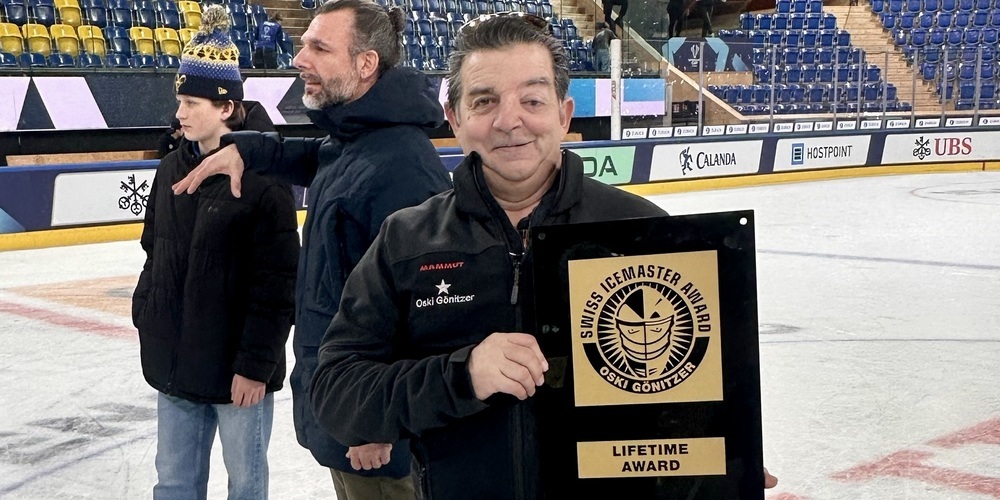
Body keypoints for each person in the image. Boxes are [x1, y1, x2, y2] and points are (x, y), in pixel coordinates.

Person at [309, 12, 779, 499]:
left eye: (532, 100)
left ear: (563, 114)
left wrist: (724, 462)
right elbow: (337, 394)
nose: (509, 120)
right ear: (456, 119)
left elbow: (693, 381)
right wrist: (461, 376)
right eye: (484, 101)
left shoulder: (641, 230)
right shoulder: (407, 241)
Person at [170, 0, 452, 498]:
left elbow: (425, 312)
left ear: (365, 64)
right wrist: (244, 149)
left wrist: (380, 418)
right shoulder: (358, 141)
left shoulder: (401, 166)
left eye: (319, 48)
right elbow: (312, 157)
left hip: (377, 437)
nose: (299, 59)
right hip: (348, 412)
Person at [132, 5, 299, 500]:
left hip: (237, 375)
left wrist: (255, 366)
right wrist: (148, 316)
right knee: (174, 485)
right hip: (174, 363)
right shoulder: (169, 169)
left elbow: (277, 285)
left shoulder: (263, 181)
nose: (180, 113)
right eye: (179, 101)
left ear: (226, 108)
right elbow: (153, 250)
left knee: (245, 486)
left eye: (191, 102)